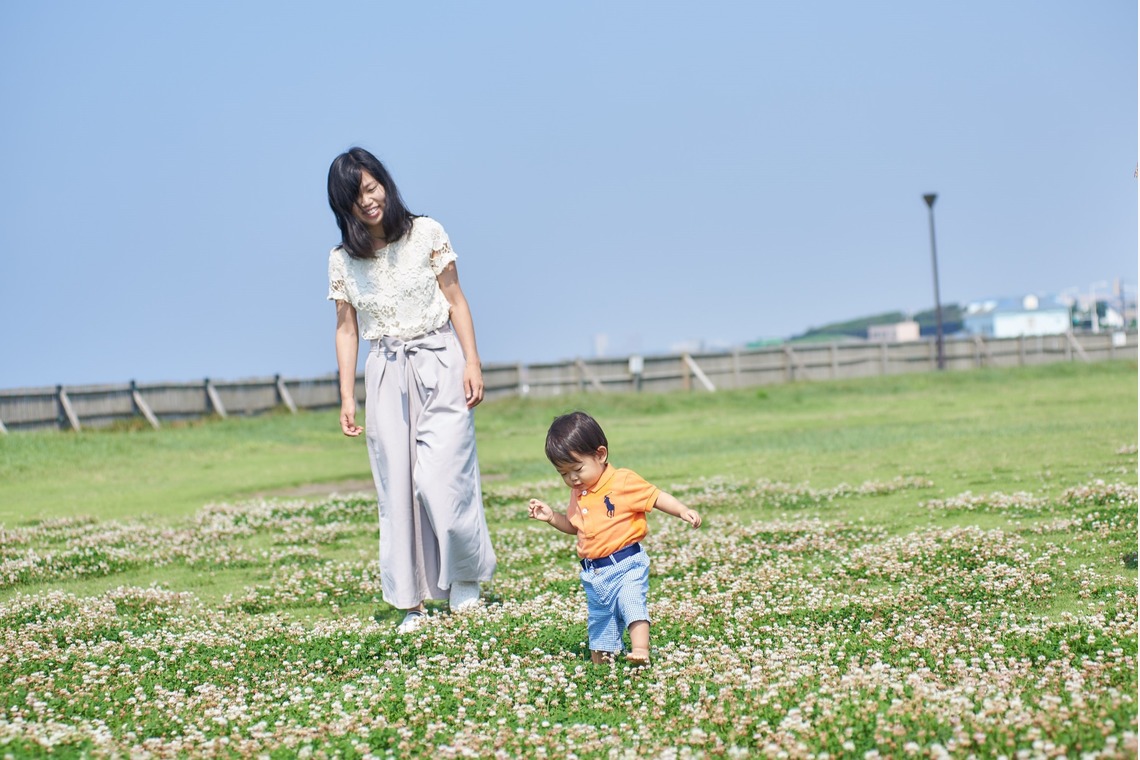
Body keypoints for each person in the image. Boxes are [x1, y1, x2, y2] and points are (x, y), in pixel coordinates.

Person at [326, 147, 496, 633]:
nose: (367, 201)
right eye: (355, 198)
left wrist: (472, 361)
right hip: (384, 371)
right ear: (343, 207)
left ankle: (465, 579)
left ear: (384, 182)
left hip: (439, 360)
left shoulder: (427, 233)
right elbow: (346, 329)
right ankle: (411, 602)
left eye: (371, 188)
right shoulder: (342, 261)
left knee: (445, 478)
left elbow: (455, 298)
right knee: (396, 489)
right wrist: (347, 396)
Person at [527, 411, 701, 666]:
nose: (572, 478)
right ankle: (602, 665)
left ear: (600, 454)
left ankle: (640, 650)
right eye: (563, 474)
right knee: (600, 621)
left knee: (631, 602)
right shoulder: (579, 492)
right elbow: (576, 527)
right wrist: (552, 517)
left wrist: (682, 510)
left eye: (577, 469)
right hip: (594, 573)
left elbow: (655, 497)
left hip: (626, 562)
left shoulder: (623, 481)